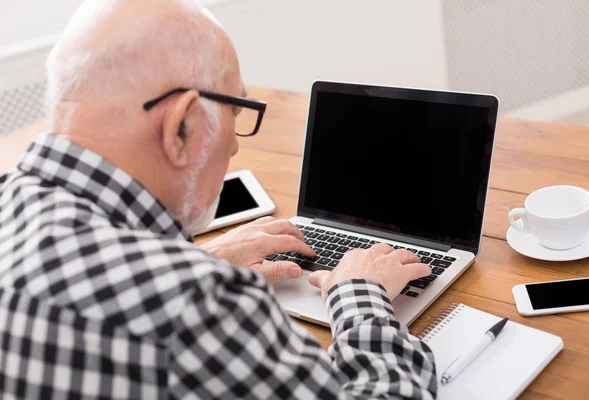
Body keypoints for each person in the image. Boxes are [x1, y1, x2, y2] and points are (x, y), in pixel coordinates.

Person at [0, 0, 437, 398]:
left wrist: (194, 260)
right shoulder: (195, 305)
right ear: (181, 126)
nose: (234, 146)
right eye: (234, 111)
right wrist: (359, 292)